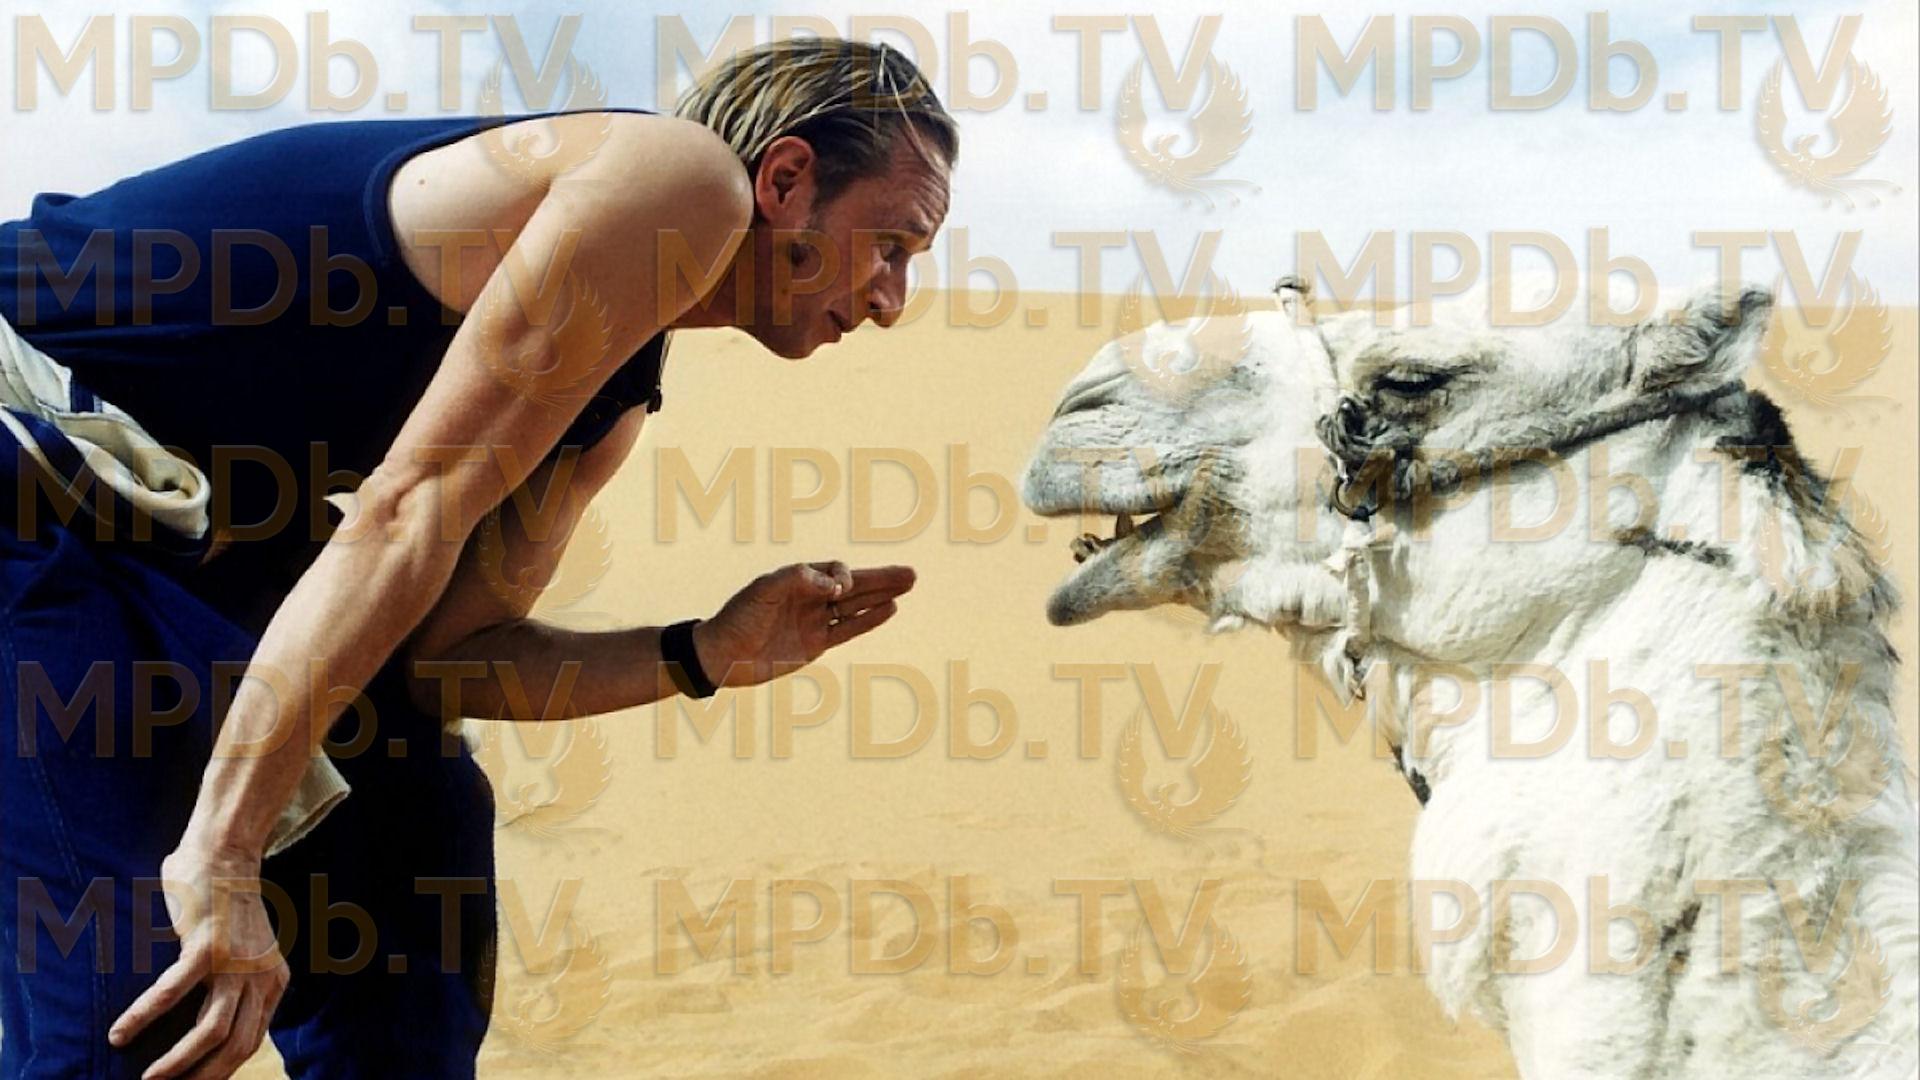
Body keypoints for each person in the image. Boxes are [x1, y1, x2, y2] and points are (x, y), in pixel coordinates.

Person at [0, 37, 955, 1079]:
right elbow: (406, 516)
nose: (892, 300)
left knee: (415, 855)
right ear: (785, 179)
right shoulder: (676, 182)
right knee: (127, 979)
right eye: (892, 245)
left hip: (199, 536)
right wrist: (224, 852)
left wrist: (701, 652)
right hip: (33, 446)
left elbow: (446, 662)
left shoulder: (608, 401)